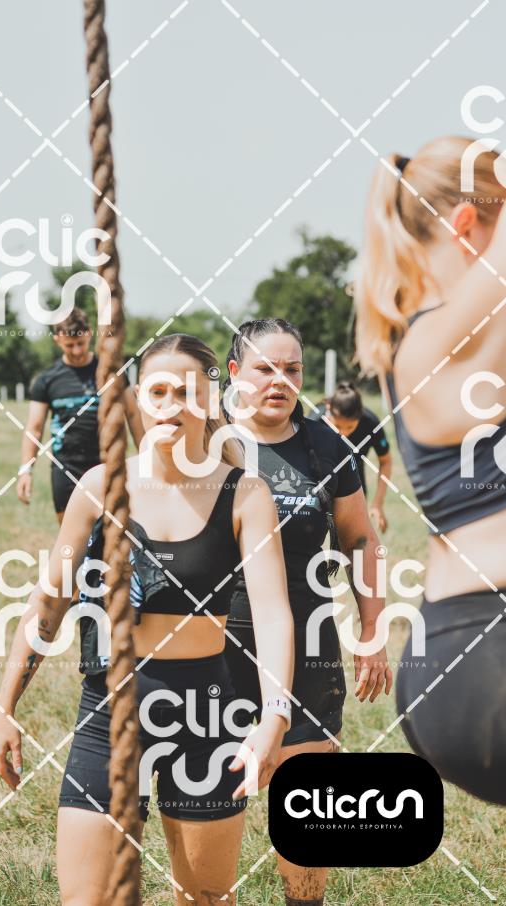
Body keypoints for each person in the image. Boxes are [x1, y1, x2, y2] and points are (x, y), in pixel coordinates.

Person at [0, 333, 295, 905]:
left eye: (188, 392)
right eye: (158, 391)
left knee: (206, 898)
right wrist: (5, 707)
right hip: (109, 710)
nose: (172, 404)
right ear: (137, 400)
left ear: (212, 400)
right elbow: (47, 604)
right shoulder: (97, 487)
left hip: (207, 716)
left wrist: (274, 716)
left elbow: (274, 615)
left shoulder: (244, 494)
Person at [355, 136, 506, 805]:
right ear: (467, 224)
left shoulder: (440, 341)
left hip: (464, 650)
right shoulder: (433, 345)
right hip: (485, 648)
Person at [222, 318, 393, 906]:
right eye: (265, 368)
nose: (280, 381)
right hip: (212, 645)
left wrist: (372, 630)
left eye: (291, 369)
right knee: (209, 800)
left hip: (307, 643)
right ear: (235, 372)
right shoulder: (207, 441)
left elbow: (360, 539)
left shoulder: (326, 446)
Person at [17, 306, 144, 523]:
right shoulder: (46, 380)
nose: (76, 351)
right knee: (71, 534)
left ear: (89, 334)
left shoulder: (111, 372)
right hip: (66, 467)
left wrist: (146, 458)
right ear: (57, 340)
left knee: (111, 531)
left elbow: (133, 414)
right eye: (69, 345)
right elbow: (34, 428)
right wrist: (25, 470)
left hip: (107, 463)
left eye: (80, 343)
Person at [312, 381, 392, 532]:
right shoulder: (315, 420)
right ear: (329, 409)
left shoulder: (371, 423)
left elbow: (385, 461)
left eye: (350, 427)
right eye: (338, 426)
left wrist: (377, 503)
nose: (343, 433)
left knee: (352, 535)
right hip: (319, 482)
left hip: (354, 482)